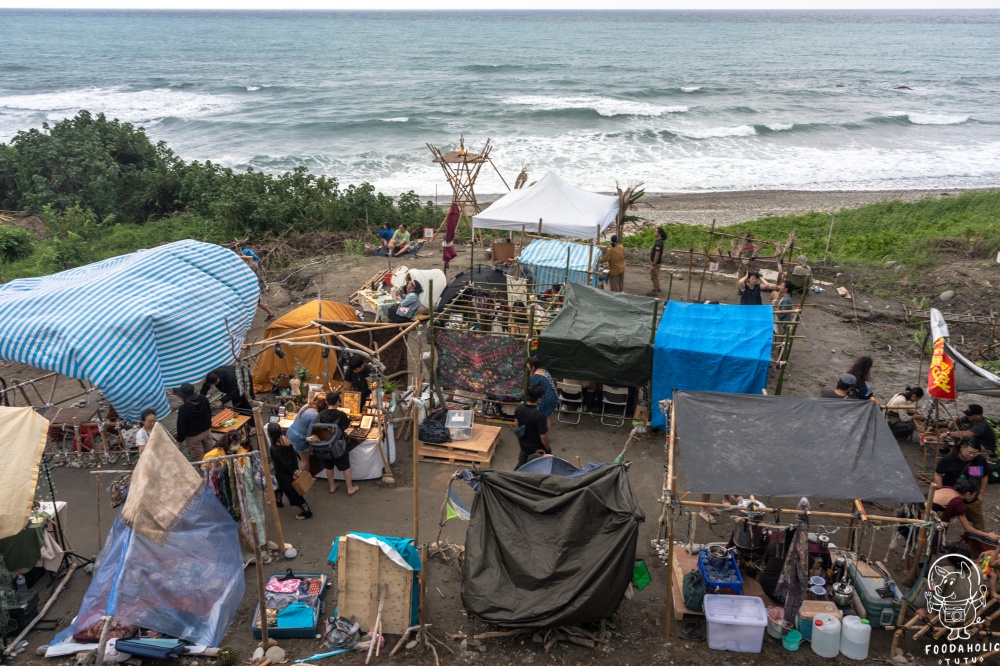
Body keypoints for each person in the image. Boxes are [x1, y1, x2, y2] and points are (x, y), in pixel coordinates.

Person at [310, 391, 359, 496]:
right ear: (338, 402)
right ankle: (350, 488)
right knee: (345, 466)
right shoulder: (342, 415)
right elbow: (345, 427)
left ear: (327, 402)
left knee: (328, 466)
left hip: (325, 445)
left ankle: (332, 487)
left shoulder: (321, 414)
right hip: (338, 445)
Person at [936, 437, 989, 531]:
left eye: (975, 453)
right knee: (941, 520)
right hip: (951, 496)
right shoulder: (949, 459)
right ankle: (937, 539)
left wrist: (981, 494)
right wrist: (941, 490)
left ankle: (980, 540)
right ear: (961, 448)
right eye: (968, 452)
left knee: (977, 519)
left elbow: (984, 476)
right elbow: (938, 475)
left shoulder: (979, 460)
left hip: (971, 496)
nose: (972, 455)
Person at [266, 422, 311, 519]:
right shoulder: (285, 439)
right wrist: (295, 469)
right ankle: (278, 501)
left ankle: (306, 511)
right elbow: (293, 454)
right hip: (290, 468)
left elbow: (283, 463)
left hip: (283, 472)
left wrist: (292, 472)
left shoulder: (274, 449)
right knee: (279, 486)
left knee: (292, 492)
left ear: (270, 434)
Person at [931, 478, 998, 543]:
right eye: (974, 496)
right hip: (927, 509)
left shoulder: (950, 489)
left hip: (925, 500)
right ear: (968, 494)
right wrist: (988, 535)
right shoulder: (958, 503)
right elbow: (967, 528)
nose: (973, 498)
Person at [173, 383, 214, 460]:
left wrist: (180, 440)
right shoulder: (203, 399)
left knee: (200, 459)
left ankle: (204, 471)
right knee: (210, 454)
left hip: (194, 437)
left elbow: (181, 426)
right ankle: (213, 469)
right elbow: (209, 412)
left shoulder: (184, 409)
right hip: (207, 431)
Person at [287, 394, 327, 469]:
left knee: (301, 458)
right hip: (299, 438)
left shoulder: (307, 405)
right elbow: (310, 433)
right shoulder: (315, 415)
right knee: (304, 459)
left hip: (292, 432)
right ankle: (306, 478)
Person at [514, 386, 550, 470]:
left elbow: (516, 426)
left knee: (521, 468)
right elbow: (543, 437)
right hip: (537, 451)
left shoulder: (519, 408)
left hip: (524, 447)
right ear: (539, 399)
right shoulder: (539, 415)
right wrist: (547, 448)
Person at [241, 249, 275, 321]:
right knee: (256, 302)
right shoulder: (252, 263)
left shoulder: (251, 265)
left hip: (255, 286)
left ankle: (271, 313)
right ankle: (270, 313)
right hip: (255, 285)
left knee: (257, 302)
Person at [527, 356, 558, 427]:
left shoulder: (535, 377)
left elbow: (532, 391)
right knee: (547, 417)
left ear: (533, 366)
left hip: (545, 399)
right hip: (552, 396)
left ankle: (542, 434)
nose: (527, 365)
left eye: (528, 364)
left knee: (543, 419)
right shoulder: (544, 371)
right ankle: (544, 433)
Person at [649, 226, 666, 296]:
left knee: (654, 276)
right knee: (655, 275)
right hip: (655, 262)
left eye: (656, 232)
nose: (654, 233)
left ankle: (655, 290)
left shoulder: (659, 243)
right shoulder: (658, 241)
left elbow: (657, 254)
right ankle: (657, 287)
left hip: (656, 263)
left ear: (659, 234)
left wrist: (653, 264)